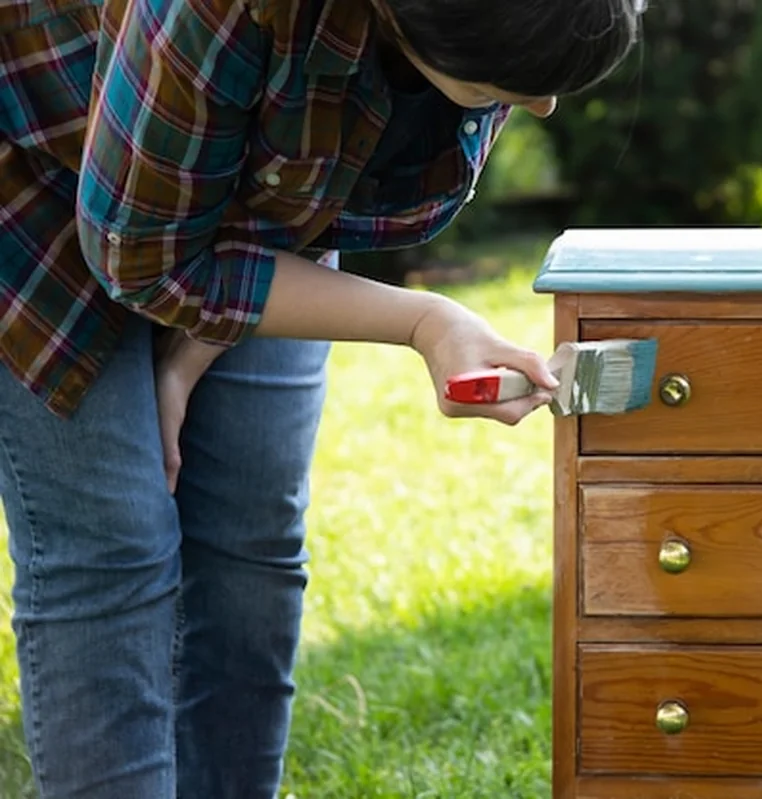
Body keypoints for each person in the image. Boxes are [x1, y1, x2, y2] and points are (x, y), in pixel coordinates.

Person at [0, 0, 641, 795]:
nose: (541, 106)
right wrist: (424, 320)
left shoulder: (508, 28)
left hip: (240, 215)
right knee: (114, 547)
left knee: (252, 536)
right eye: (501, 84)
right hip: (41, 172)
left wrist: (184, 362)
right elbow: (142, 256)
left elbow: (291, 204)